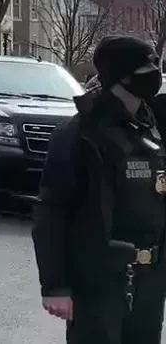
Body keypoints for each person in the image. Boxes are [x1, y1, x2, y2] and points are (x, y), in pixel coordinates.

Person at [32, 35, 166, 344]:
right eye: (145, 67)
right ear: (120, 76)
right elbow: (51, 211)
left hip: (149, 281)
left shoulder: (153, 125)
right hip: (99, 280)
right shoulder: (81, 134)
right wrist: (55, 286)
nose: (154, 74)